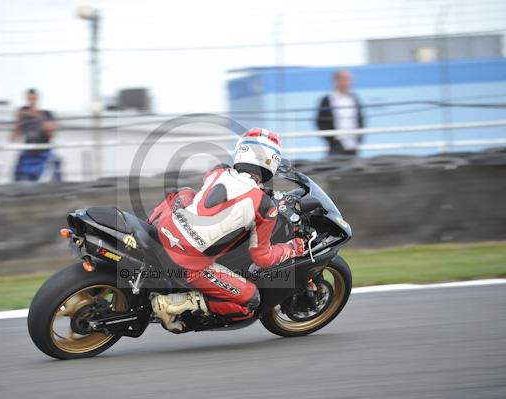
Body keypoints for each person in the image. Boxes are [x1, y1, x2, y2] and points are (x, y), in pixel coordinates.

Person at [148, 128, 306, 332]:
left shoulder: (218, 171)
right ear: (272, 161)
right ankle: (173, 304)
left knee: (187, 193)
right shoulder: (266, 207)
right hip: (188, 263)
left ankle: (147, 224)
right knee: (251, 302)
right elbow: (262, 258)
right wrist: (292, 248)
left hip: (165, 231)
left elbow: (225, 190)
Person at [11, 88, 61, 181]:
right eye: (29, 99)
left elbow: (51, 133)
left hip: (44, 152)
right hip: (28, 153)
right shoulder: (24, 116)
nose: (31, 101)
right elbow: (13, 137)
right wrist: (18, 119)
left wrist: (36, 116)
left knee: (54, 168)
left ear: (37, 99)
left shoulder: (46, 114)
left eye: (33, 98)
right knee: (20, 175)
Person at [315, 70, 365, 156]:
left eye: (349, 79)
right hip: (335, 148)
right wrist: (332, 140)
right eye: (345, 79)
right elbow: (320, 122)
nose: (348, 82)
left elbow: (360, 119)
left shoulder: (354, 98)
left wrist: (359, 139)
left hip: (353, 146)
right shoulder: (327, 100)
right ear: (336, 81)